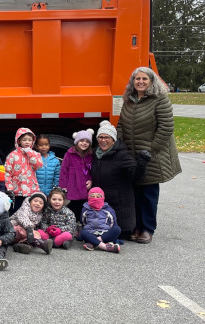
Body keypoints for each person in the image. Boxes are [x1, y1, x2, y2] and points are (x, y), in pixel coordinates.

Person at [117, 66, 182, 244]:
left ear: (152, 81)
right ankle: (136, 226)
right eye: (137, 79)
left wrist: (151, 151)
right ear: (133, 81)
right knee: (134, 193)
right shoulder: (129, 100)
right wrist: (121, 146)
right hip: (132, 155)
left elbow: (166, 127)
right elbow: (121, 124)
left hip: (152, 156)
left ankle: (147, 229)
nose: (141, 82)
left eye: (145, 79)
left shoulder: (160, 100)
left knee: (148, 194)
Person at [91, 120, 149, 239]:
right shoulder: (95, 154)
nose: (103, 140)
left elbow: (136, 177)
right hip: (102, 201)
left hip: (119, 202)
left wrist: (141, 164)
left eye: (106, 137)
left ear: (113, 139)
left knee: (118, 232)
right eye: (100, 137)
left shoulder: (122, 155)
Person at [4, 128, 43, 212]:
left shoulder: (35, 154)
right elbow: (7, 172)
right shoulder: (12, 155)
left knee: (30, 211)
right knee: (16, 211)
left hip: (31, 190)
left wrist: (30, 153)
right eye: (24, 140)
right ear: (18, 141)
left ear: (33, 141)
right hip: (17, 190)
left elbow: (39, 165)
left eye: (29, 140)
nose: (27, 142)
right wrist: (9, 188)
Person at [59, 129, 94, 218]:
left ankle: (83, 223)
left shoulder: (90, 155)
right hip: (73, 185)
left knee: (84, 205)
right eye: (82, 141)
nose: (84, 143)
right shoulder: (69, 154)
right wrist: (63, 186)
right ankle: (73, 222)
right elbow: (64, 170)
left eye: (87, 141)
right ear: (77, 141)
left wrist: (90, 179)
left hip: (85, 185)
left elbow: (92, 169)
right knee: (74, 205)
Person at [76, 187, 121, 253]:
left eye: (98, 196)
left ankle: (93, 242)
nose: (95, 198)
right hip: (91, 233)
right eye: (92, 196)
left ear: (103, 197)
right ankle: (105, 246)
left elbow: (113, 223)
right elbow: (83, 222)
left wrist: (109, 235)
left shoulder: (108, 210)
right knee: (83, 232)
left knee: (117, 229)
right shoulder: (85, 209)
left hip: (105, 234)